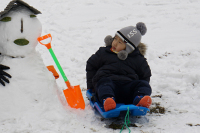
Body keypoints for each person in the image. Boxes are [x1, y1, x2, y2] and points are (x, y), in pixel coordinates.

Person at [86, 22, 152, 112]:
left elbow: (145, 74)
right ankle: (108, 100)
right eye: (115, 39)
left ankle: (140, 98)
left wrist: (140, 87)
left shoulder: (137, 58)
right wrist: (91, 86)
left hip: (128, 88)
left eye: (120, 42)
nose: (115, 43)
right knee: (103, 83)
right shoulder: (104, 52)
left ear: (128, 48)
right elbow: (91, 65)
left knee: (144, 84)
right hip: (109, 84)